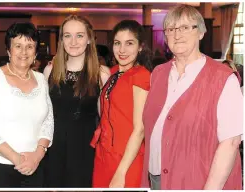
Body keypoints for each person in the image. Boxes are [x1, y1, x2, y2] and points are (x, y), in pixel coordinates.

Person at [141, 5, 243, 190]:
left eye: (186, 27)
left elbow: (231, 142)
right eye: (171, 29)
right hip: (155, 178)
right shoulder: (158, 73)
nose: (177, 35)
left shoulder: (223, 78)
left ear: (201, 33)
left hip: (199, 180)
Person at [0, 22, 54, 188]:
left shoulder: (41, 79)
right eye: (18, 45)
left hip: (36, 167)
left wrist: (37, 156)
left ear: (35, 52)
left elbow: (48, 122)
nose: (24, 52)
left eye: (30, 46)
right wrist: (17, 159)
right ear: (8, 50)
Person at [43, 15, 110, 187]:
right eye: (67, 35)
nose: (73, 41)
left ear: (89, 39)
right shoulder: (50, 71)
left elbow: (105, 119)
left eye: (79, 35)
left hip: (85, 151)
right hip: (54, 149)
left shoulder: (101, 74)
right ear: (61, 40)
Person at [90, 20, 153, 188]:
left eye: (129, 43)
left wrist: (121, 172)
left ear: (140, 47)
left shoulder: (141, 75)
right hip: (103, 155)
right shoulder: (112, 72)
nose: (122, 50)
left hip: (127, 159)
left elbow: (139, 130)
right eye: (117, 43)